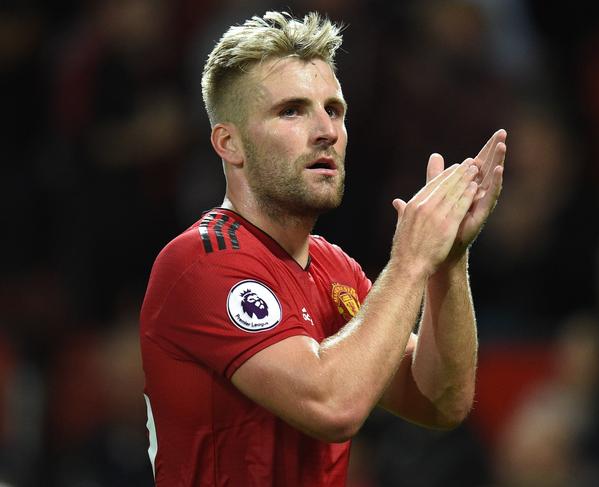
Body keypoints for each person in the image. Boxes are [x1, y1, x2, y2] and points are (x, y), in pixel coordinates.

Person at [140, 11, 507, 487]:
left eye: (333, 110)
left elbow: (441, 401)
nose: (326, 131)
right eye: (291, 110)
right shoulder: (199, 263)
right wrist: (412, 259)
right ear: (230, 144)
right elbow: (332, 406)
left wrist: (449, 260)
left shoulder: (335, 269)